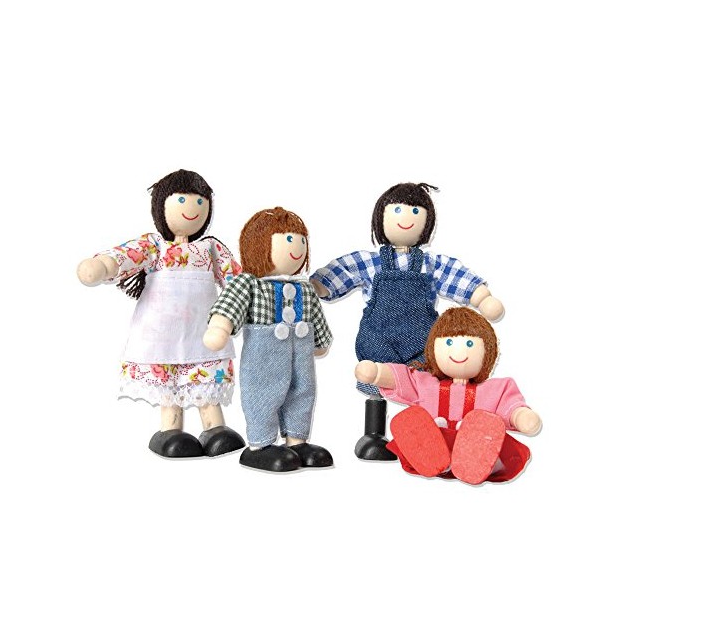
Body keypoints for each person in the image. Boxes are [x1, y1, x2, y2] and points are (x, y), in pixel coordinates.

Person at [311, 182, 505, 461]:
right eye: (398, 210)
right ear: (381, 218)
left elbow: (456, 276)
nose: (406, 218)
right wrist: (318, 286)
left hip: (421, 341)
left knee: (424, 387)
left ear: (427, 222)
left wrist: (482, 297)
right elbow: (343, 270)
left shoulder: (431, 264)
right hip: (379, 337)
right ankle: (373, 435)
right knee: (376, 385)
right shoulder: (371, 262)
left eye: (415, 211)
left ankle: (423, 437)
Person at [76, 169, 245, 459]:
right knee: (168, 381)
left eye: (200, 201)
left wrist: (248, 302)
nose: (192, 208)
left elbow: (235, 278)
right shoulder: (155, 246)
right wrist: (103, 266)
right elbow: (126, 256)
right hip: (161, 334)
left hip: (204, 332)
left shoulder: (211, 248)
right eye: (182, 200)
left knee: (206, 377)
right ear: (161, 205)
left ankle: (215, 428)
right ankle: (171, 430)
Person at [204, 207, 334, 473]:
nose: (297, 247)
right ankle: (259, 445)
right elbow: (229, 305)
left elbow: (316, 317)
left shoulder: (305, 288)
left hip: (300, 355)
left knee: (302, 392)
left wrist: (320, 342)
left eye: (301, 240)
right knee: (262, 395)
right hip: (263, 355)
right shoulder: (249, 283)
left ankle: (297, 440)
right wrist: (219, 327)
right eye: (289, 239)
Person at [355, 307, 541, 484]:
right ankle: (435, 457)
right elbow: (404, 378)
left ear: (488, 352)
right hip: (435, 440)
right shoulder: (426, 383)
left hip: (478, 445)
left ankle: (472, 462)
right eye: (449, 343)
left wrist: (521, 416)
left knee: (494, 442)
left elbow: (510, 406)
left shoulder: (494, 389)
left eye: (469, 344)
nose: (459, 353)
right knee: (414, 425)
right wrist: (377, 373)